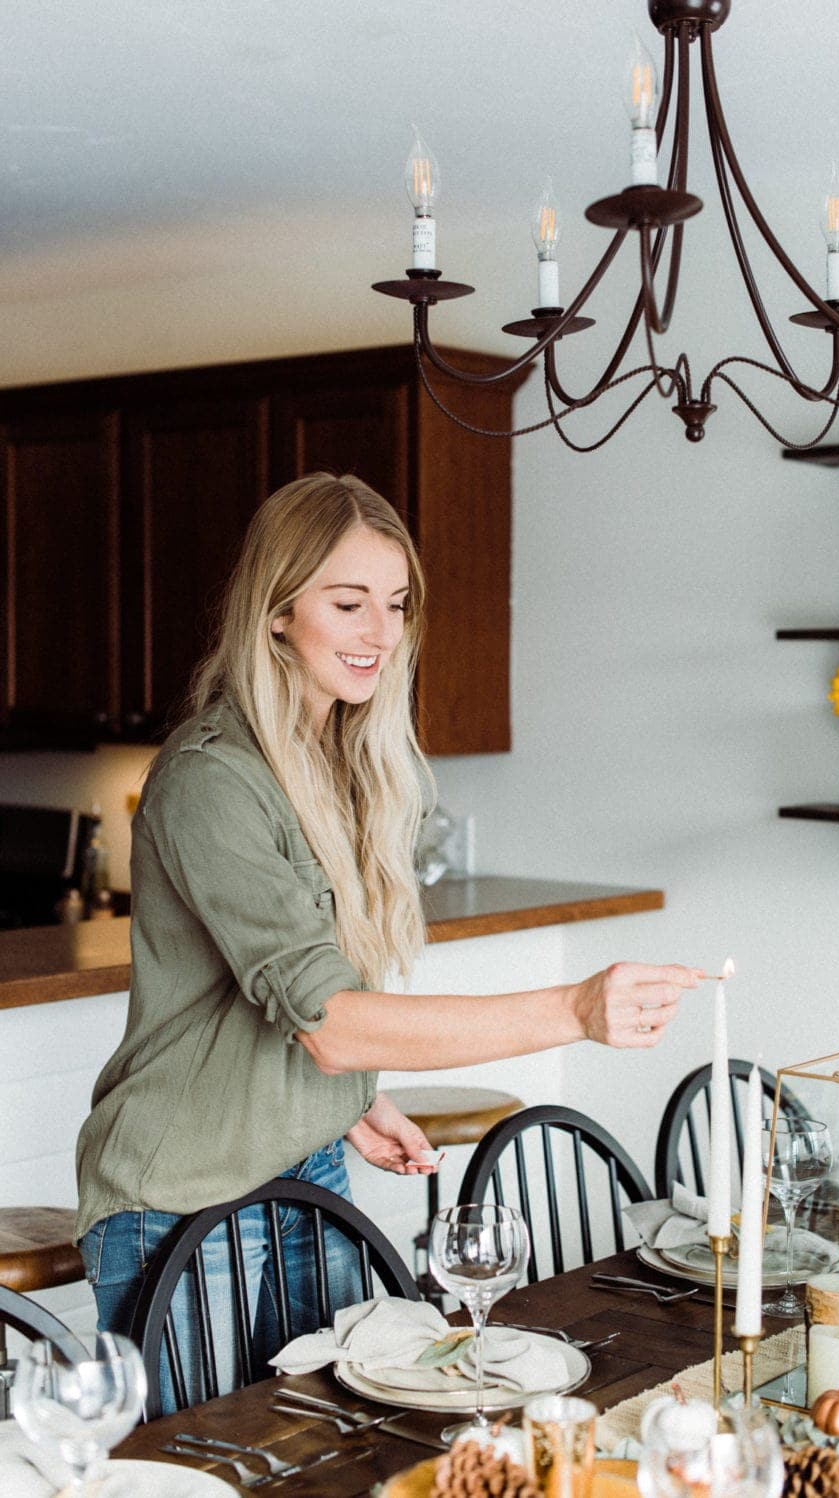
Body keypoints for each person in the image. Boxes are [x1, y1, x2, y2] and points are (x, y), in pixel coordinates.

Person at [74, 471, 701, 1392]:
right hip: (183, 1199)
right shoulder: (212, 778)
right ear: (279, 612)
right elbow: (327, 1020)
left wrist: (353, 1101)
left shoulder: (340, 765)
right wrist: (574, 1007)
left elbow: (287, 999)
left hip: (306, 1167)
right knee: (205, 1472)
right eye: (349, 602)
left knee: (335, 1443)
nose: (380, 632)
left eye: (396, 604)